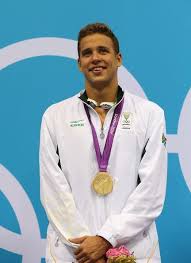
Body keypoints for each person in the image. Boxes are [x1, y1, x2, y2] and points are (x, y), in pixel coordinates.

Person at [39, 23, 167, 263]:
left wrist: (107, 238)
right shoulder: (55, 116)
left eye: (103, 51)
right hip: (74, 251)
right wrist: (87, 245)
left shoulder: (151, 114)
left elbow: (152, 190)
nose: (95, 58)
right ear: (79, 63)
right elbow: (52, 189)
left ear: (118, 59)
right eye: (87, 53)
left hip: (133, 250)